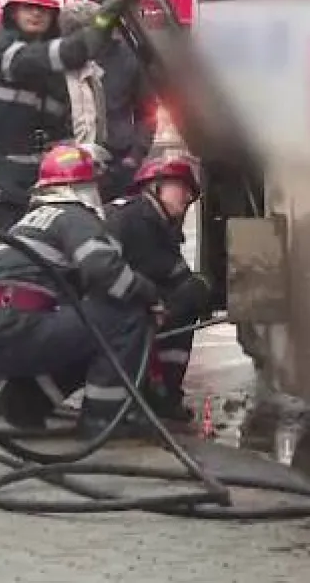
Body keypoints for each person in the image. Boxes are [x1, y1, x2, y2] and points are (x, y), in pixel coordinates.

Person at [0, 0, 115, 393]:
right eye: (28, 7)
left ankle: (14, 364)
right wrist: (98, 30)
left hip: (30, 182)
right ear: (11, 11)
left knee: (33, 267)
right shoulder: (4, 50)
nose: (34, 15)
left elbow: (63, 121)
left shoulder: (48, 67)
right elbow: (58, 55)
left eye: (43, 10)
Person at [0, 143, 163, 439]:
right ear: (84, 185)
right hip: (23, 326)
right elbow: (103, 270)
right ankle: (105, 418)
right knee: (125, 316)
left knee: (90, 335)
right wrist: (148, 293)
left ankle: (24, 401)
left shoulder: (29, 220)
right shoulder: (73, 215)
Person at [104, 155, 209, 422]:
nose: (187, 198)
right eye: (181, 187)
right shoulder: (140, 220)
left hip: (104, 309)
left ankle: (156, 390)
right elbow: (171, 275)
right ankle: (161, 396)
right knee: (190, 296)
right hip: (113, 315)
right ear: (155, 186)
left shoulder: (143, 218)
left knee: (189, 294)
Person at [89, 0, 158, 202]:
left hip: (118, 164)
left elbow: (148, 111)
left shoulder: (131, 58)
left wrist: (135, 156)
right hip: (74, 164)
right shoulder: (70, 54)